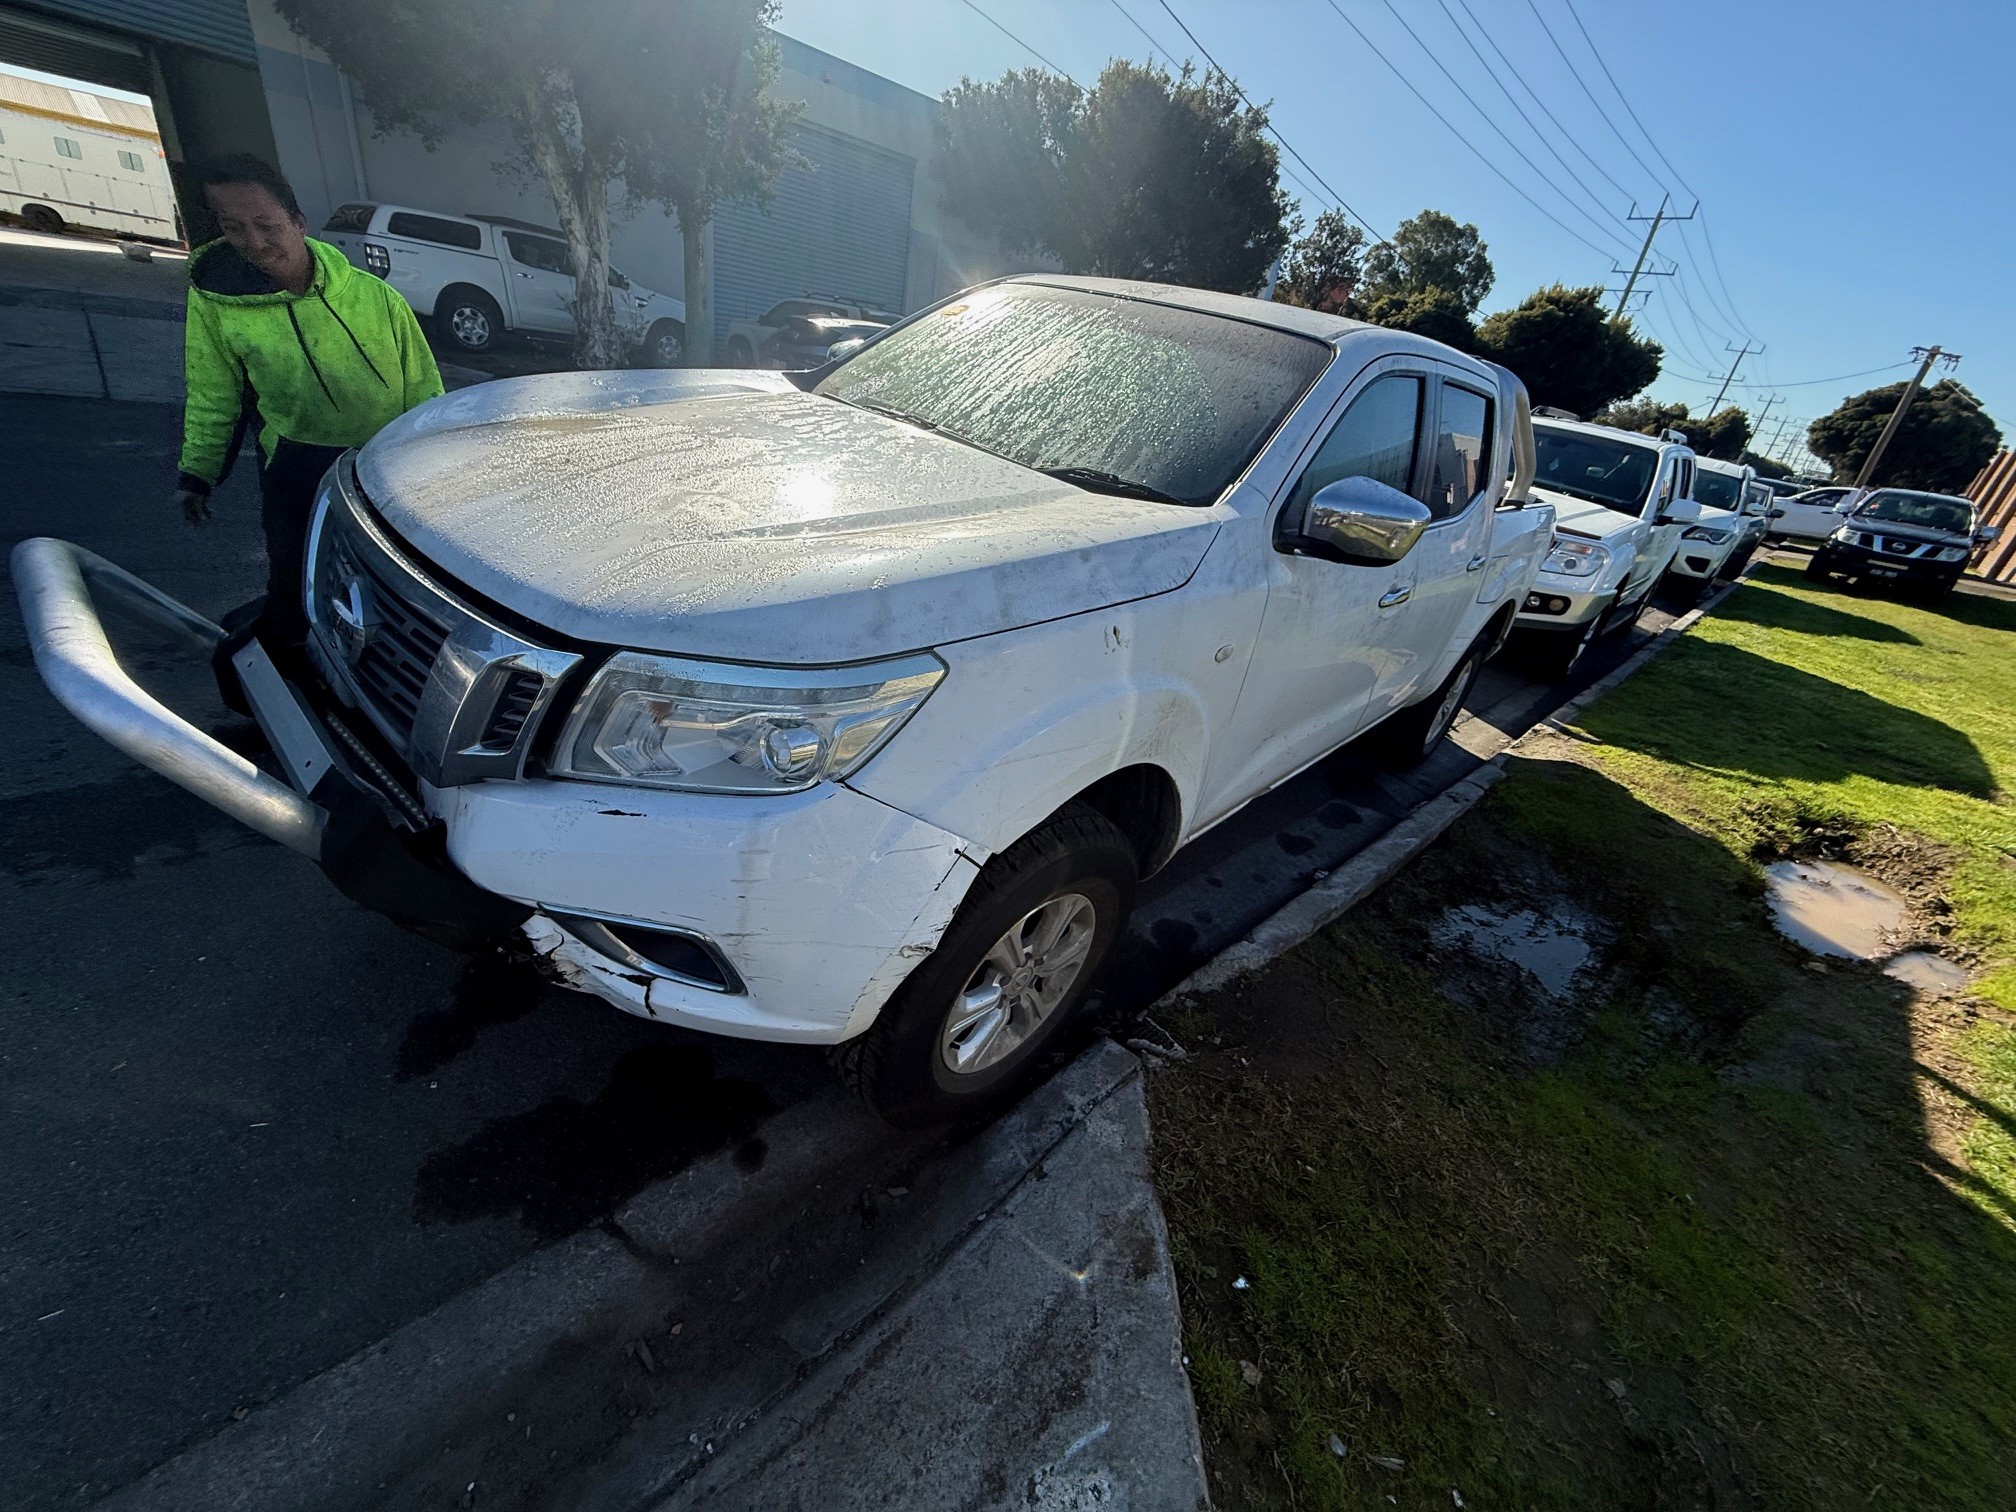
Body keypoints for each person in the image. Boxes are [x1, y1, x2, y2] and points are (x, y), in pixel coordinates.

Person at [175, 154, 442, 649]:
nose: (254, 242)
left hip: (385, 463)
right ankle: (286, 673)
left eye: (267, 225)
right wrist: (198, 473)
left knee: (389, 586)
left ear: (298, 222)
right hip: (296, 465)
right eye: (233, 227)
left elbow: (426, 391)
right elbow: (213, 394)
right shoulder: (216, 304)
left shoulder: (376, 298)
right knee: (294, 583)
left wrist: (435, 465)